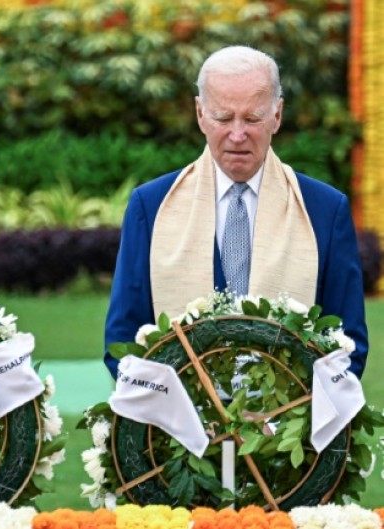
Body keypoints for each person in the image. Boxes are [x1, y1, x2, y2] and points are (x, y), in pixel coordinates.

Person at [104, 45, 368, 379]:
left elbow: (348, 345)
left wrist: (292, 419)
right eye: (223, 118)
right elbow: (124, 340)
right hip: (178, 425)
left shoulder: (325, 211)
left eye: (253, 118)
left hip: (291, 426)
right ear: (200, 114)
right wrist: (178, 416)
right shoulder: (151, 206)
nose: (238, 134)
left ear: (277, 115)